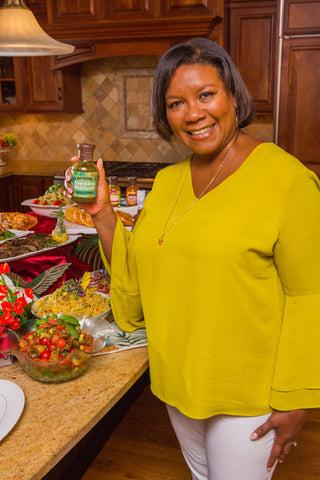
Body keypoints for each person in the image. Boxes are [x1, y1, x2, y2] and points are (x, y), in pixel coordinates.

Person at [65, 37, 320, 480]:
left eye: (206, 94)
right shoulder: (166, 182)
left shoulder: (287, 180)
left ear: (234, 97)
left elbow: (309, 294)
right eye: (176, 103)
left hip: (247, 387)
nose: (194, 113)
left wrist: (297, 397)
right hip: (176, 378)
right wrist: (102, 213)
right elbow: (138, 267)